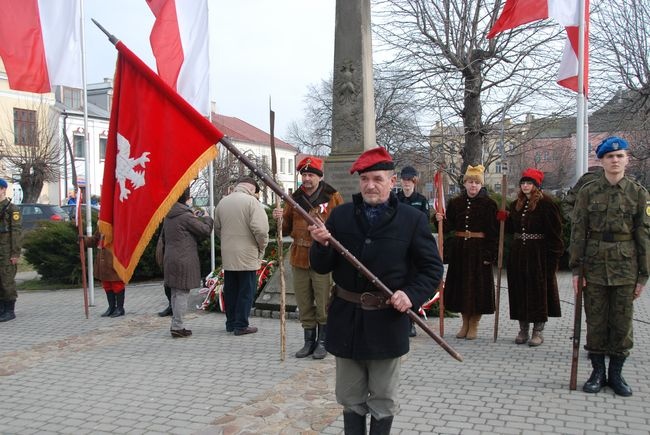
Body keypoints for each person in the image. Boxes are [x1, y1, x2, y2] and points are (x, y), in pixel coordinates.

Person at [308, 147, 443, 434]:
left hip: (387, 322)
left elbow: (431, 269)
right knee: (350, 399)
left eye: (378, 179)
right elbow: (322, 267)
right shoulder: (341, 216)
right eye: (365, 179)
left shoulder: (412, 219)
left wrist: (410, 295)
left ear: (392, 182)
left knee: (383, 399)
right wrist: (320, 245)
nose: (370, 185)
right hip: (347, 320)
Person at [569, 136, 649, 396]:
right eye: (609, 157)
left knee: (622, 321)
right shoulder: (588, 192)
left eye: (620, 156)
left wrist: (643, 276)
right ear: (601, 161)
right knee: (596, 320)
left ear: (627, 159)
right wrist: (575, 270)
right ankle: (597, 372)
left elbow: (644, 235)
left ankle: (616, 373)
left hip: (626, 267)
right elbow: (578, 231)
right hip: (593, 265)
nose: (615, 160)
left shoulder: (638, 193)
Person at [272, 156, 343, 359]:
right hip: (299, 256)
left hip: (323, 255)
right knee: (304, 302)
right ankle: (308, 341)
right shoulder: (294, 199)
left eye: (310, 174)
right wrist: (278, 218)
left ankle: (323, 342)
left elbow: (341, 225)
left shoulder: (332, 197)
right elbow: (286, 228)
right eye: (303, 174)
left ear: (319, 177)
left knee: (323, 302)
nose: (306, 178)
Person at [435, 165, 498, 340]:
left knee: (477, 289)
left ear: (481, 185)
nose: (473, 186)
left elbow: (493, 232)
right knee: (462, 288)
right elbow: (448, 226)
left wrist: (490, 254)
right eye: (470, 182)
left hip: (479, 252)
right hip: (460, 251)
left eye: (477, 183)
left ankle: (474, 324)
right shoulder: (456, 203)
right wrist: (438, 218)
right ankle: (464, 323)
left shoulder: (489, 204)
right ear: (465, 184)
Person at [505, 168, 563, 347]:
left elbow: (555, 232)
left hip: (538, 255)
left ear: (536, 185)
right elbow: (510, 230)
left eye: (529, 183)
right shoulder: (517, 204)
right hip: (519, 254)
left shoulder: (546, 204)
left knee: (538, 292)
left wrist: (553, 258)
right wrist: (503, 219)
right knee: (520, 291)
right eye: (523, 183)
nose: (525, 186)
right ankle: (523, 329)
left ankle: (538, 331)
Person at [215, 176, 269, 336]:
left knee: (231, 290)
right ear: (252, 189)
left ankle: (231, 323)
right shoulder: (252, 203)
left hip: (228, 253)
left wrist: (227, 242)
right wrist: (262, 245)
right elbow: (260, 229)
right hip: (247, 253)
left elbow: (217, 228)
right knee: (246, 290)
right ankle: (241, 325)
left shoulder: (223, 202)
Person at [163, 188, 213, 338]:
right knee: (182, 293)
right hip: (184, 258)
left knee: (175, 292)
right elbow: (204, 230)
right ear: (186, 198)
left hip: (171, 257)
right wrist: (207, 218)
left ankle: (175, 324)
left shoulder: (168, 215)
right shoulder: (185, 216)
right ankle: (177, 326)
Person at [397, 165, 431, 337]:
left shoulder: (422, 200)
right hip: (399, 247)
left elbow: (425, 222)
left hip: (414, 248)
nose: (407, 183)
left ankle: (411, 321)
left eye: (410, 180)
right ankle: (401, 322)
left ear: (415, 182)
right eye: (404, 180)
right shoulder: (395, 199)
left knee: (412, 284)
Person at [82, 231, 126, 317]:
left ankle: (120, 308)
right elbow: (95, 240)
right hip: (103, 261)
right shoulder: (102, 225)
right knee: (107, 285)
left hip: (115, 259)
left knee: (117, 284)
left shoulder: (118, 224)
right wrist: (84, 239)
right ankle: (112, 307)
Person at [0, 178, 21, 322]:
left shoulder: (11, 209)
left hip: (6, 251)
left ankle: (9, 310)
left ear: (3, 189)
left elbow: (16, 232)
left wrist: (15, 253)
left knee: (6, 281)